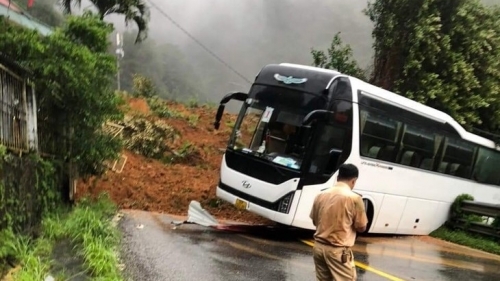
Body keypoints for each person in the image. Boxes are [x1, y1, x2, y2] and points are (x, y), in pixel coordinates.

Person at [309, 163, 368, 281]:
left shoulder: (321, 194)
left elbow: (315, 221)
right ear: (353, 181)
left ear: (338, 178)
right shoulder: (355, 199)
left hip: (319, 248)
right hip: (338, 252)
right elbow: (362, 227)